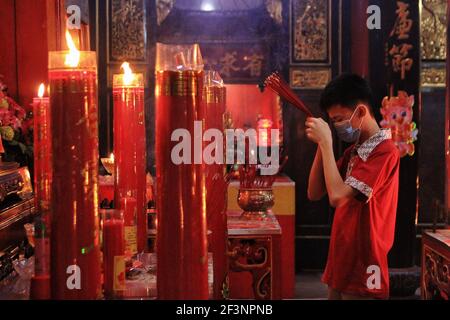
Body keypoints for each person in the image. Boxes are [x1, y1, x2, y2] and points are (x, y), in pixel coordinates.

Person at [306, 74, 400, 300]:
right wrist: (322, 145)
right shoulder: (353, 152)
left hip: (366, 260)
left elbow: (338, 197)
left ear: (361, 112)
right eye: (333, 121)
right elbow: (315, 192)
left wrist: (327, 143)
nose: (337, 126)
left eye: (339, 119)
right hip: (342, 254)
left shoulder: (385, 152)